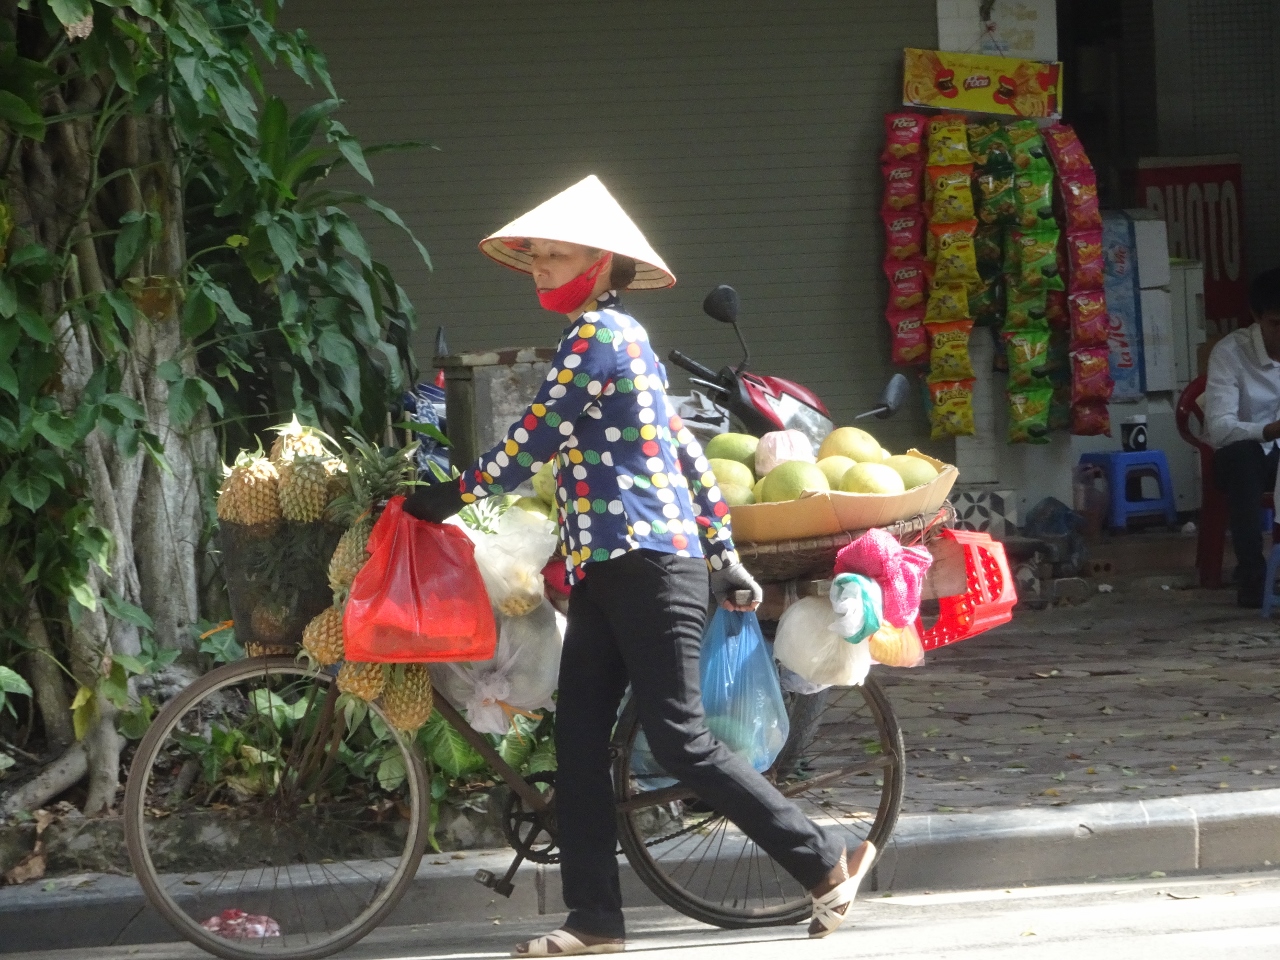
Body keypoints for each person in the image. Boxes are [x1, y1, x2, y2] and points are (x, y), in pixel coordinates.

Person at [403, 176, 874, 956]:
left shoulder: (599, 337)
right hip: (606, 569)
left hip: (649, 567)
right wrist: (723, 552)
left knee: (681, 739)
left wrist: (454, 493)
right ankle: (594, 920)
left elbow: (536, 434)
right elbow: (686, 453)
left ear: (603, 264)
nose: (542, 267)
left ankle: (825, 861)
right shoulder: (629, 343)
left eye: (558, 255)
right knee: (580, 743)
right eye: (537, 255)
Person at [1204, 265, 1280, 607]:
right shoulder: (1231, 352)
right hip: (1238, 458)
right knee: (1244, 457)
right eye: (1277, 324)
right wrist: (1268, 430)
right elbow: (1220, 427)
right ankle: (1252, 574)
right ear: (1256, 316)